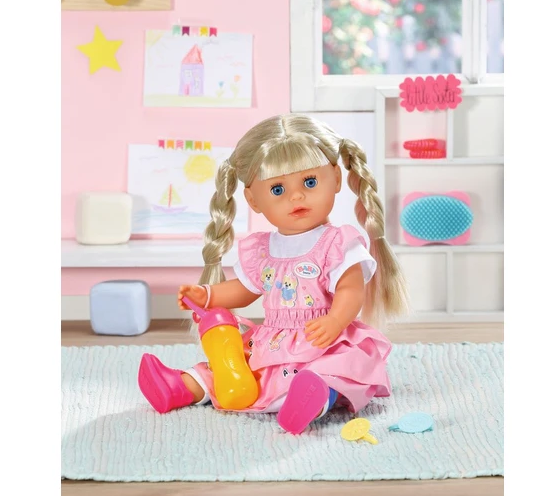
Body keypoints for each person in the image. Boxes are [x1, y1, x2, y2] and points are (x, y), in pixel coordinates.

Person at [138, 114, 409, 434]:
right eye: (278, 189)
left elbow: (351, 290)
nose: (296, 196)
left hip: (322, 337)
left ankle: (314, 399)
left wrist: (336, 321)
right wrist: (209, 295)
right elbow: (245, 290)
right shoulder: (262, 249)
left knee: (337, 369)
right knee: (232, 367)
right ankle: (182, 387)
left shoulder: (337, 243)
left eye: (310, 182)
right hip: (274, 341)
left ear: (336, 179)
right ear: (253, 200)